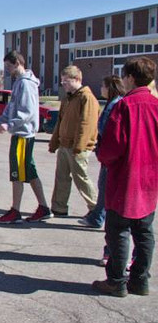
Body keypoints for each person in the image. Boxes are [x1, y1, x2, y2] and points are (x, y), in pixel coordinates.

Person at [92, 57, 158, 297]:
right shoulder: (155, 104)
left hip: (125, 176)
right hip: (150, 178)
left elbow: (112, 147)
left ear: (131, 77)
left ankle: (117, 281)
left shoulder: (125, 106)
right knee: (144, 231)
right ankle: (140, 280)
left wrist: (102, 155)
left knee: (118, 230)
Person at [0, 51, 51, 224]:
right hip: (21, 134)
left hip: (23, 135)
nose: (8, 70)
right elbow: (12, 108)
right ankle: (43, 208)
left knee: (17, 173)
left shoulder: (25, 84)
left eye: (9, 66)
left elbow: (26, 112)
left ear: (18, 62)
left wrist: (9, 125)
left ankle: (15, 211)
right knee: (30, 171)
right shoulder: (19, 83)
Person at [47, 65, 100, 217]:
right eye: (62, 82)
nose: (63, 85)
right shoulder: (67, 98)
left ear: (77, 79)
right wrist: (54, 142)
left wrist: (79, 146)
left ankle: (95, 208)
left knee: (81, 178)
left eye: (66, 82)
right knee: (61, 178)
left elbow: (87, 124)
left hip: (78, 148)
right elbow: (60, 121)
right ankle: (59, 207)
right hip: (64, 145)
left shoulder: (86, 97)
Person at [79, 76, 125, 237]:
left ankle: (97, 217)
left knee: (105, 186)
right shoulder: (111, 103)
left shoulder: (116, 104)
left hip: (110, 156)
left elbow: (107, 130)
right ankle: (97, 216)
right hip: (106, 153)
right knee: (103, 185)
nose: (101, 88)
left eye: (103, 85)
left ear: (110, 87)